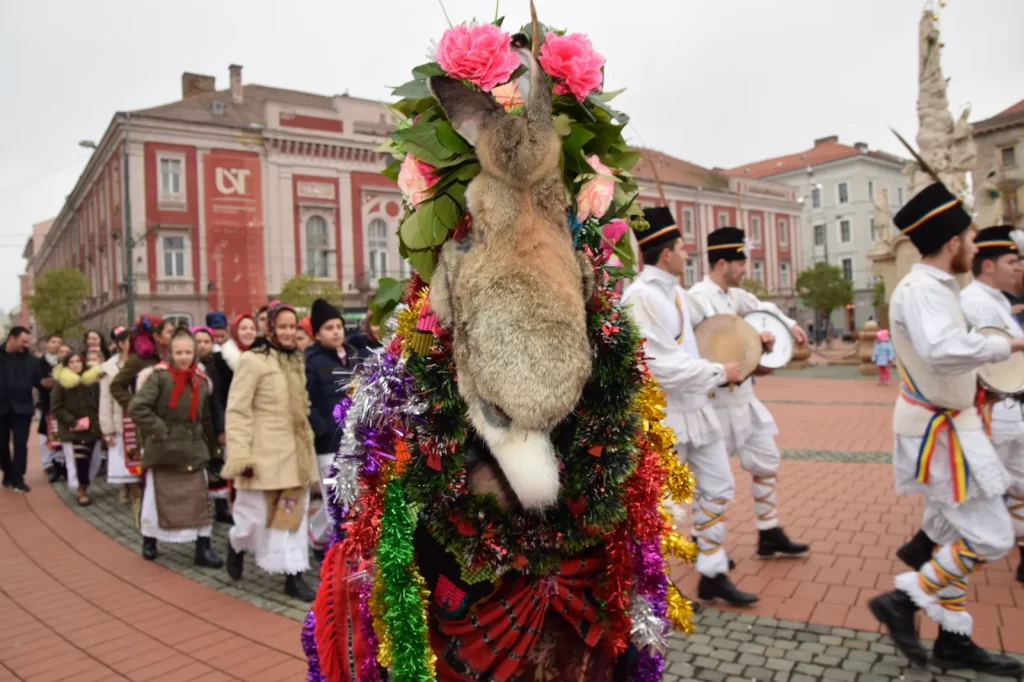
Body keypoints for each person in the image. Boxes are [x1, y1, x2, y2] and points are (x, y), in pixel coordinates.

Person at [867, 184, 1024, 676]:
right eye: (972, 240)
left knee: (957, 530)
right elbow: (940, 349)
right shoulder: (921, 291)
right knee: (993, 536)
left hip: (951, 424)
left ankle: (953, 640)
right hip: (942, 433)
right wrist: (1006, 347)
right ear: (953, 242)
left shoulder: (937, 289)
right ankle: (902, 599)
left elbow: (947, 354)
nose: (976, 250)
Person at [621, 207, 755, 606]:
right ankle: (653, 585)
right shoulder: (640, 297)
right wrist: (718, 371)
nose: (687, 254)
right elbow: (659, 365)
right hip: (664, 417)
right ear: (667, 255)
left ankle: (712, 571)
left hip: (697, 411)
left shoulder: (679, 294)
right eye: (682, 247)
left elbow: (717, 323)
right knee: (662, 502)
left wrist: (754, 338)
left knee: (717, 487)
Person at [687, 226, 810, 561]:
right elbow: (701, 345)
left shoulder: (735, 297)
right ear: (723, 262)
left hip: (744, 398)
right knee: (711, 478)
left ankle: (768, 531)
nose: (745, 269)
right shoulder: (698, 298)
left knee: (766, 460)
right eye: (741, 263)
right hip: (715, 402)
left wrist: (787, 326)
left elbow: (763, 309)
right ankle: (703, 538)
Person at [223, 301, 319, 601]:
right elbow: (237, 410)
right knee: (252, 518)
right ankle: (236, 545)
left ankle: (294, 575)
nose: (289, 332)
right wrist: (240, 456)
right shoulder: (252, 360)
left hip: (295, 455)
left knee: (293, 516)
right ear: (271, 328)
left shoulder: (296, 360)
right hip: (261, 455)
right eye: (283, 327)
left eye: (294, 327)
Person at [129, 328, 223, 568]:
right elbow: (138, 407)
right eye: (178, 352)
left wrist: (211, 448)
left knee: (200, 500)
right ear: (170, 353)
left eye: (188, 352)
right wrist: (161, 430)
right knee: (154, 498)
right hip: (163, 450)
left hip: (193, 449)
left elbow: (205, 418)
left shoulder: (201, 382)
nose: (183, 357)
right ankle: (149, 541)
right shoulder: (159, 378)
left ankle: (203, 547)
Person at [304, 299, 359, 552]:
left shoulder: (352, 355)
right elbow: (305, 398)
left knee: (349, 497)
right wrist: (322, 426)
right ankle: (333, 550)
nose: (336, 331)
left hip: (352, 438)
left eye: (339, 326)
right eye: (329, 327)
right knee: (334, 500)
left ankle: (316, 538)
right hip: (327, 443)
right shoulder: (311, 361)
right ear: (317, 333)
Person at [50, 352, 103, 505]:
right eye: (71, 362)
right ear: (67, 365)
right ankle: (81, 491)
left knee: (94, 460)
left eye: (78, 361)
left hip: (92, 428)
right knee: (79, 460)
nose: (75, 364)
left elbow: (100, 403)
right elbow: (57, 407)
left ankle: (85, 485)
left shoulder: (92, 382)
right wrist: (72, 422)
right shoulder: (61, 384)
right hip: (73, 430)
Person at [192, 325, 231, 523]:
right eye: (198, 341)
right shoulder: (190, 367)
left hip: (215, 423)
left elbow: (219, 399)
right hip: (196, 425)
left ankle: (221, 508)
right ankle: (201, 511)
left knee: (218, 465)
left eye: (207, 341)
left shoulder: (218, 365)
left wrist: (222, 428)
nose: (203, 346)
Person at [1, 327, 45, 492]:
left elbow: (39, 382)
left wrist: (45, 384)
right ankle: (7, 472)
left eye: (28, 342)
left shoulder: (32, 361)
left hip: (23, 409)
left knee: (20, 444)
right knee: (2, 444)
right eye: (23, 341)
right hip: (1, 408)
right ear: (11, 338)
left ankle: (18, 478)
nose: (26, 345)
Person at [100, 326, 139, 506]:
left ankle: (136, 490)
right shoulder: (108, 368)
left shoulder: (142, 362)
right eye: (128, 341)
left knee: (139, 455)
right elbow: (105, 399)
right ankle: (128, 489)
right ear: (120, 344)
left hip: (140, 417)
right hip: (120, 418)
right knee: (123, 456)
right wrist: (107, 430)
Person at [37, 334, 62, 482]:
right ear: (46, 344)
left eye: (59, 342)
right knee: (45, 432)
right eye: (53, 342)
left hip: (62, 403)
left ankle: (60, 463)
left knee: (60, 432)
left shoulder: (64, 361)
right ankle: (48, 463)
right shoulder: (39, 363)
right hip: (46, 402)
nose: (56, 345)